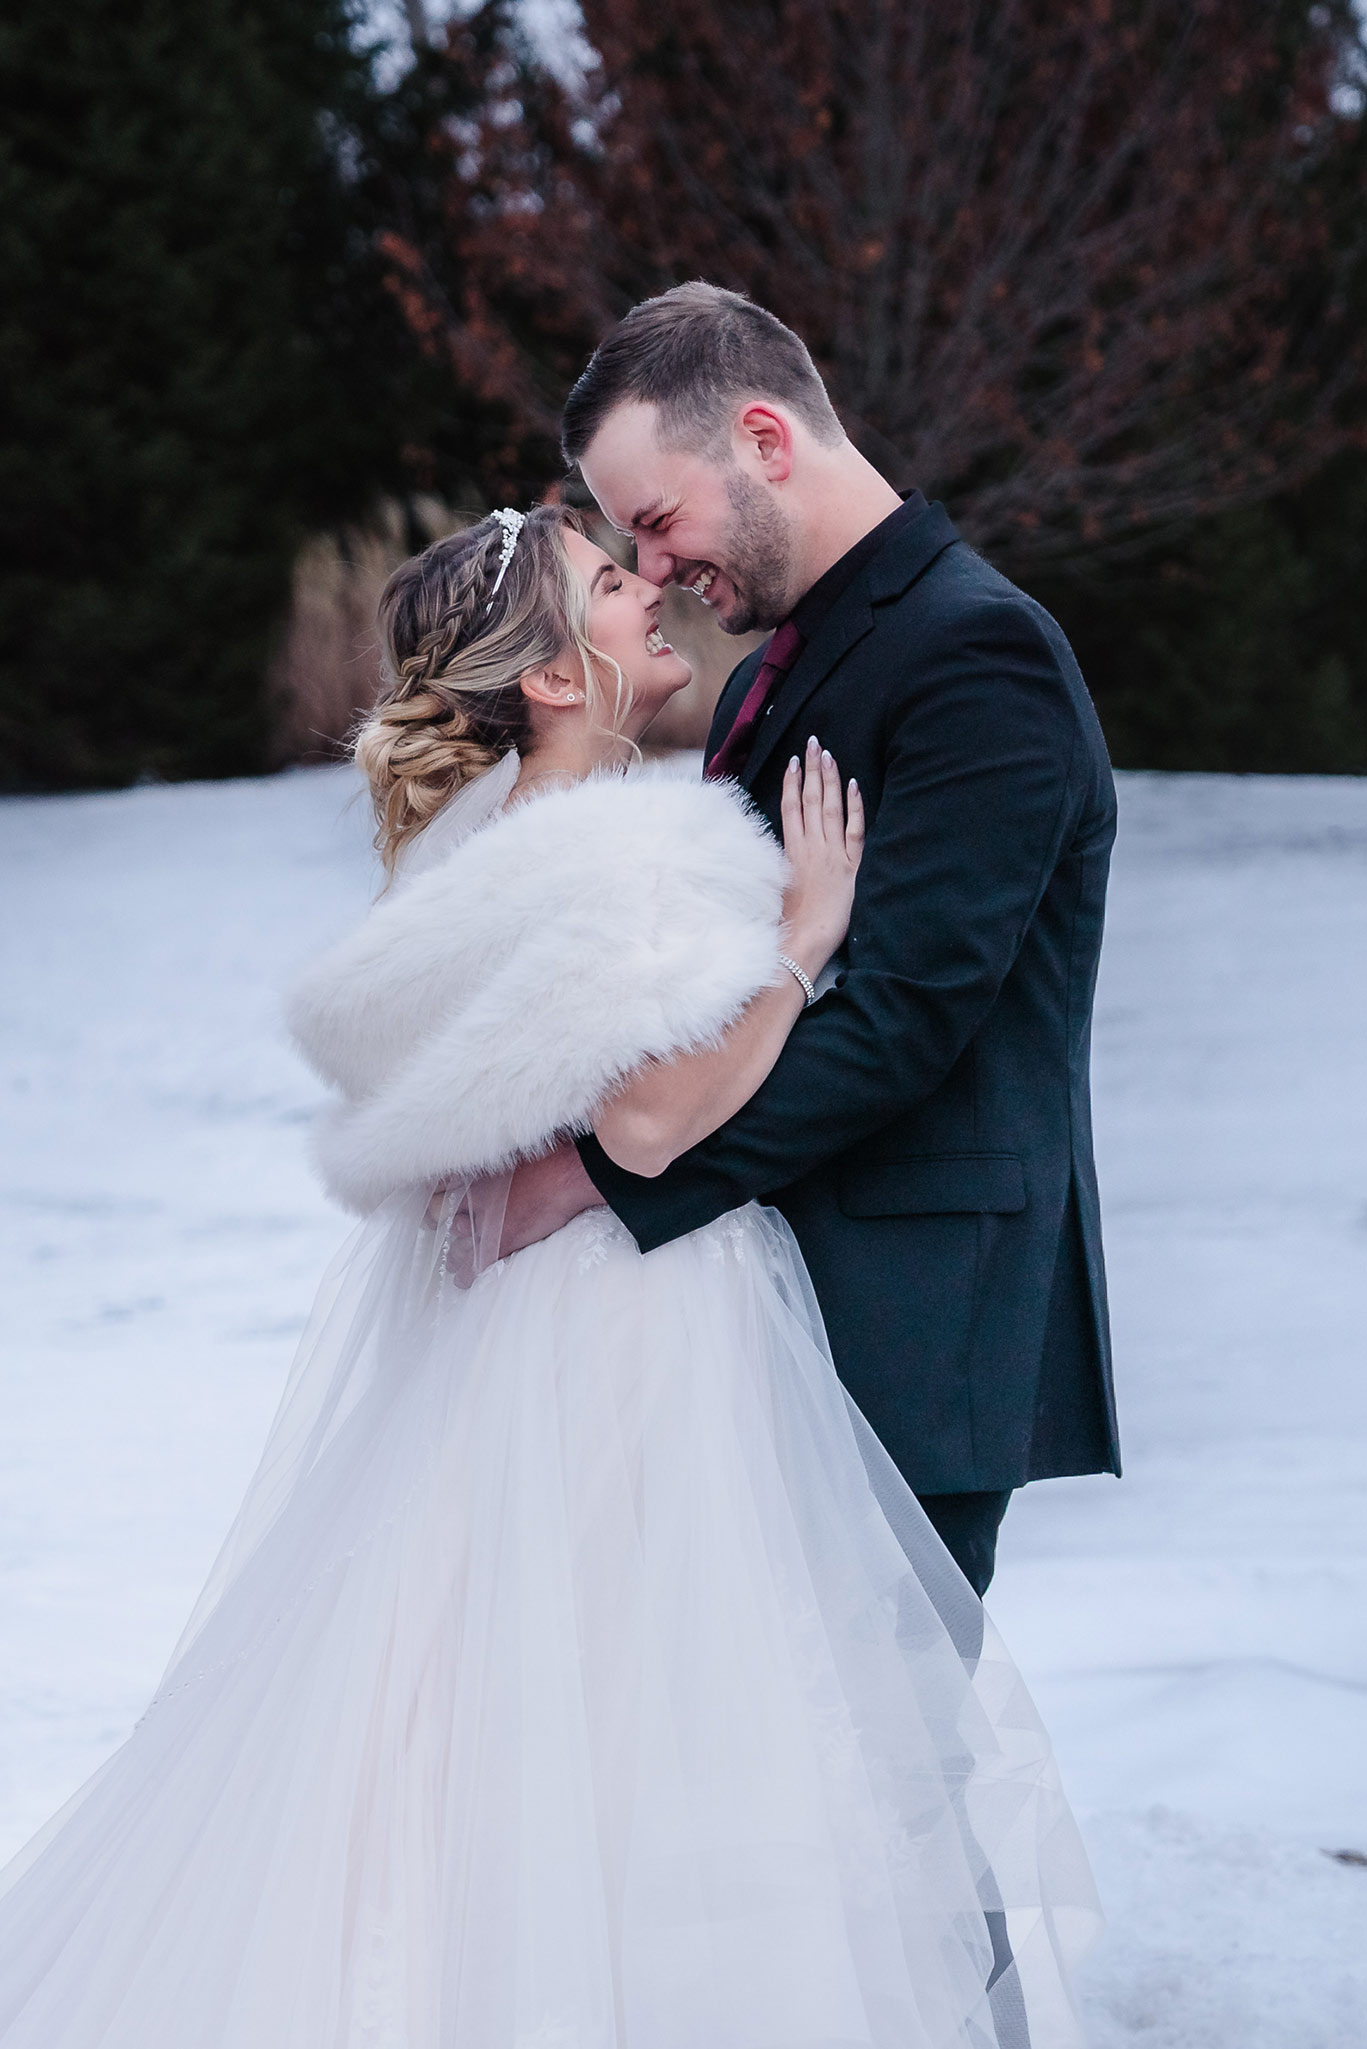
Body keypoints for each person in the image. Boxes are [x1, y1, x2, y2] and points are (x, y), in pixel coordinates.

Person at [0, 504, 1098, 2046]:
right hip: (636, 1321)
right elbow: (650, 1119)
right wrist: (803, 935)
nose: (651, 588)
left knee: (510, 1718)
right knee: (656, 1710)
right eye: (609, 581)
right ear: (559, 676)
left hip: (545, 1315)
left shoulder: (504, 832)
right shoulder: (617, 854)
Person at [498, 284, 1122, 1598]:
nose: (655, 569)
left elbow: (902, 1021)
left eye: (658, 522)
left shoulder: (976, 658)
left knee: (873, 1777)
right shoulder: (805, 648)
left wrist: (604, 1178)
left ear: (766, 442)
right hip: (770, 1305)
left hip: (907, 1315)